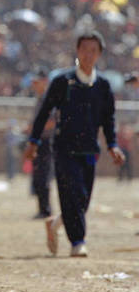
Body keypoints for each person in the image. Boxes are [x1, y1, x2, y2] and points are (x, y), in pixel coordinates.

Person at [23, 30, 124, 257]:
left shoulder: (104, 86)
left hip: (89, 150)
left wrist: (113, 145)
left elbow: (108, 120)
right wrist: (33, 141)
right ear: (77, 51)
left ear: (99, 54)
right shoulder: (62, 82)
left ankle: (56, 224)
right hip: (63, 149)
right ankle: (78, 242)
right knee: (71, 192)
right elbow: (44, 112)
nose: (88, 55)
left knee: (82, 200)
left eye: (93, 50)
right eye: (84, 49)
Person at [27, 68, 54, 218]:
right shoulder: (39, 99)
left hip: (45, 141)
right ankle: (42, 208)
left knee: (43, 176)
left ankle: (45, 209)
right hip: (38, 141)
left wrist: (35, 128)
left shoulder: (48, 99)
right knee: (38, 176)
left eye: (37, 82)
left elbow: (52, 122)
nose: (34, 85)